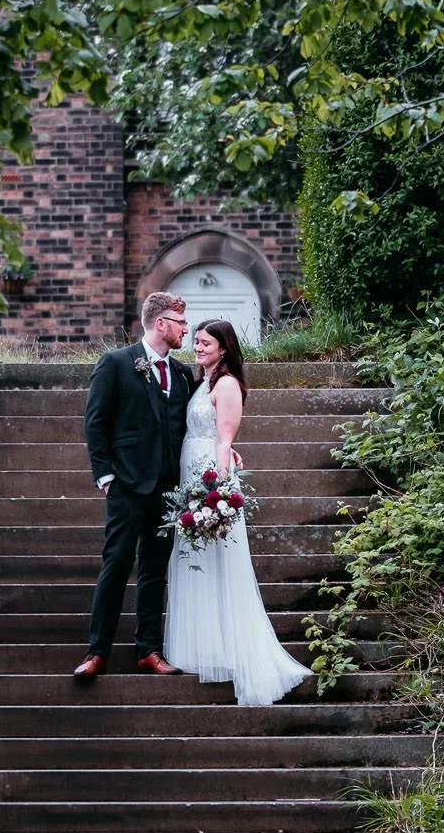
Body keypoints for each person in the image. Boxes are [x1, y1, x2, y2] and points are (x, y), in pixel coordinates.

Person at [163, 319, 314, 705]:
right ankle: (203, 648)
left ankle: (230, 650)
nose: (197, 348)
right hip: (189, 470)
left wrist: (215, 491)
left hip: (206, 478)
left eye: (206, 343)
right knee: (195, 561)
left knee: (216, 562)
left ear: (224, 348)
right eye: (195, 341)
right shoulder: (203, 380)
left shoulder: (227, 385)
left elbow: (224, 438)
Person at [74, 292, 192, 679]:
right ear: (161, 323)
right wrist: (106, 476)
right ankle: (97, 653)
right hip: (126, 485)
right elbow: (95, 422)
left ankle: (149, 650)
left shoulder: (182, 374)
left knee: (156, 570)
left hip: (168, 490)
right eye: (180, 322)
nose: (185, 329)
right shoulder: (116, 363)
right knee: (117, 564)